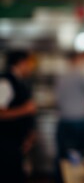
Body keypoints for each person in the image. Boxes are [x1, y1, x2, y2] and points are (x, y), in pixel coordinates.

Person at [54, 51, 84, 183]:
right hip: (80, 120)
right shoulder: (82, 74)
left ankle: (63, 179)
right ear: (78, 59)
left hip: (64, 121)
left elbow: (57, 99)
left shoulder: (61, 76)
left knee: (64, 157)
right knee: (81, 155)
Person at [0, 51, 37, 183]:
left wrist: (28, 135)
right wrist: (25, 110)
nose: (31, 67)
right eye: (30, 63)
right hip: (5, 144)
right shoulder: (5, 82)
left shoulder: (20, 81)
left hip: (16, 143)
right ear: (22, 62)